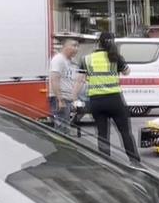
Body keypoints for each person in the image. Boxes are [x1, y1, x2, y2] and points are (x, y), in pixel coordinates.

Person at [84, 32, 141, 164]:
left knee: (102, 134)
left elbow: (81, 80)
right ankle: (134, 161)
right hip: (114, 100)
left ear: (99, 42)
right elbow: (127, 72)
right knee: (125, 132)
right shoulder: (115, 57)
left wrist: (74, 98)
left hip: (96, 101)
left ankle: (105, 162)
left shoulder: (87, 59)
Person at [48, 37, 81, 135]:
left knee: (65, 128)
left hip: (68, 98)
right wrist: (60, 99)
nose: (76, 49)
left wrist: (74, 99)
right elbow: (54, 79)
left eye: (77, 46)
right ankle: (61, 149)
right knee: (62, 129)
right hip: (60, 99)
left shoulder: (71, 61)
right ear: (65, 46)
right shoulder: (58, 60)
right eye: (73, 45)